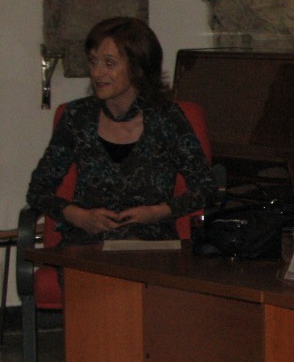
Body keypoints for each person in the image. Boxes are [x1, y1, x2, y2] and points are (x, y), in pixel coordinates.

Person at [27, 17, 218, 244]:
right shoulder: (77, 117)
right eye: (93, 61)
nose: (97, 73)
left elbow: (206, 188)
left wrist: (157, 212)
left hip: (148, 245)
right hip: (87, 244)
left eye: (109, 63)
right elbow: (38, 191)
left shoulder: (167, 118)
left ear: (138, 68)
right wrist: (79, 216)